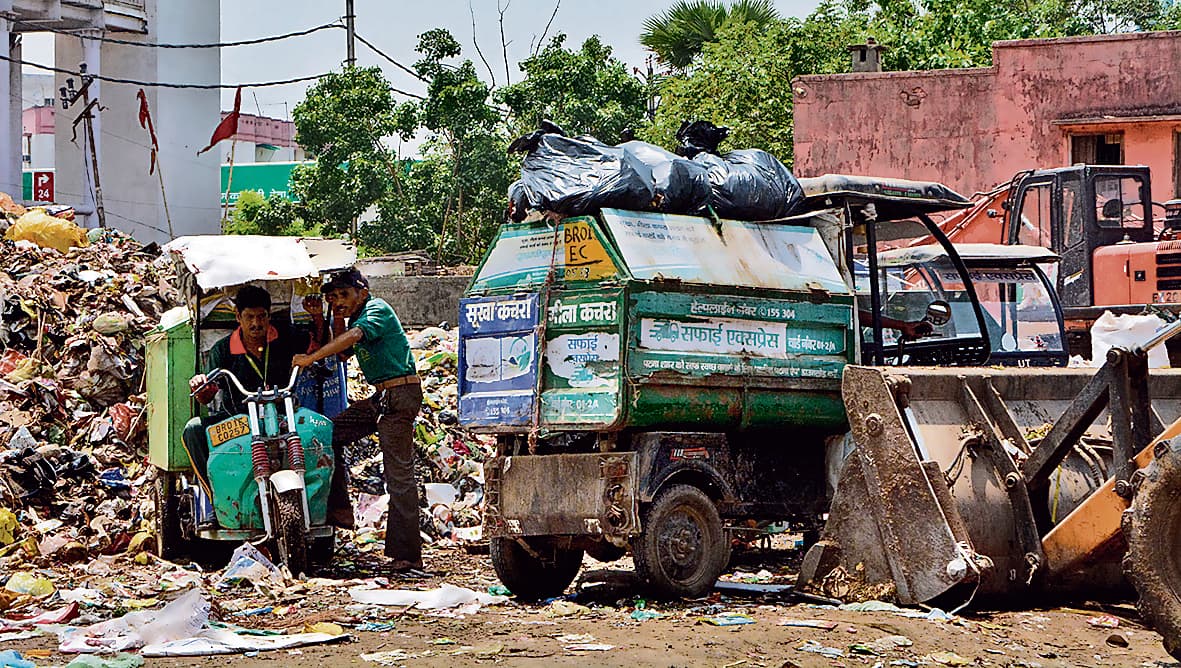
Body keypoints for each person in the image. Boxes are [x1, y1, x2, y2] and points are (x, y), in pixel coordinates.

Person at [292, 267, 425, 575]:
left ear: (362, 293)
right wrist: (328, 315)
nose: (338, 301)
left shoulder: (377, 309)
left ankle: (407, 555)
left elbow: (352, 338)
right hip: (382, 397)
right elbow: (343, 354)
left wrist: (310, 359)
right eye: (333, 297)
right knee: (329, 434)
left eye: (344, 295)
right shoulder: (354, 316)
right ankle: (340, 511)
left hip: (399, 395)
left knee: (399, 476)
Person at [182, 285, 309, 493]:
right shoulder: (222, 349)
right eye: (249, 317)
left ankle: (329, 505)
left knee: (324, 429)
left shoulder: (287, 337)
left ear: (269, 316)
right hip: (238, 421)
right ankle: (215, 496)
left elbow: (320, 346)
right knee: (194, 429)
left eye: (261, 317)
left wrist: (318, 319)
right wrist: (200, 384)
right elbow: (206, 396)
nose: (256, 324)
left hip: (282, 416)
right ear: (238, 317)